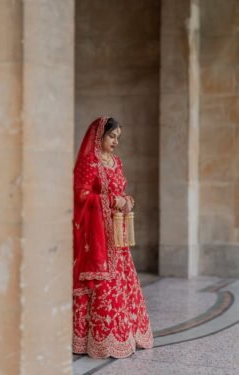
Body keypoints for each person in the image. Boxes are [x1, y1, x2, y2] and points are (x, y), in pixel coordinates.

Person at [72, 116, 153, 358]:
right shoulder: (88, 163)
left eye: (118, 137)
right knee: (103, 283)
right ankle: (96, 340)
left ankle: (124, 335)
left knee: (122, 280)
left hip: (117, 237)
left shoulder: (116, 163)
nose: (116, 141)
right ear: (99, 136)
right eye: (112, 136)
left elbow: (120, 192)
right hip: (96, 240)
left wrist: (126, 201)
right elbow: (80, 197)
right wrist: (110, 201)